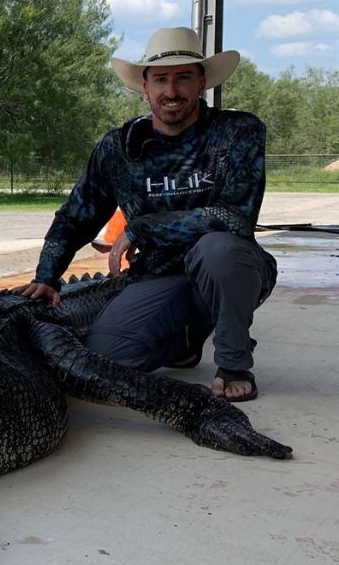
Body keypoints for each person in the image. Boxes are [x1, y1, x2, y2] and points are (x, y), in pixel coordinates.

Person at [14, 27, 276, 402]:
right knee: (104, 359)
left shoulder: (238, 131)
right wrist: (46, 275)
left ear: (201, 82)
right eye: (161, 80)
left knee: (218, 249)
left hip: (229, 271)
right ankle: (184, 339)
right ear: (145, 86)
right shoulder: (116, 148)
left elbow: (235, 217)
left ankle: (234, 361)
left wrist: (142, 229)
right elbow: (77, 215)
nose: (172, 91)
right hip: (158, 276)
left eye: (183, 78)